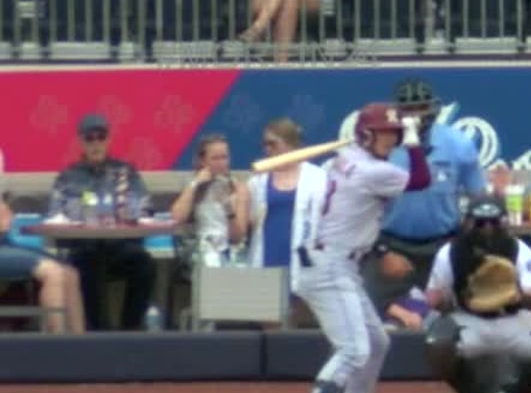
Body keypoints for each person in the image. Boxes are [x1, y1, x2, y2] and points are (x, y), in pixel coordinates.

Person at [287, 103, 430, 393]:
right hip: (330, 265)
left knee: (377, 342)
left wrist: (379, 251)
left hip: (337, 260)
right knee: (353, 349)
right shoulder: (372, 171)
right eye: (386, 134)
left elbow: (354, 216)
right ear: (366, 134)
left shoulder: (343, 160)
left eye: (395, 134)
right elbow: (421, 179)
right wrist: (414, 142)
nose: (392, 140)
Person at [423, 195, 531, 393]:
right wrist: (464, 298)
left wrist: (516, 298)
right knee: (436, 343)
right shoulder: (450, 253)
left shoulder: (520, 250)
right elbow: (433, 300)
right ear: (468, 222)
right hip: (469, 319)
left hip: (513, 318)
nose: (487, 229)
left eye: (493, 222)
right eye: (480, 223)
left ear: (503, 222)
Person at [369, 78, 487, 312]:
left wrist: (461, 244)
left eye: (421, 108)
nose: (415, 116)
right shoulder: (384, 146)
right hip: (392, 245)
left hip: (442, 245)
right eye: (408, 110)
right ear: (397, 112)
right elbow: (363, 208)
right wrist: (381, 250)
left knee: (451, 316)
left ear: (434, 108)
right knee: (376, 317)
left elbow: (478, 200)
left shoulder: (458, 144)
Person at [46, 113, 156, 331]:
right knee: (84, 267)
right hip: (83, 247)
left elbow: (146, 208)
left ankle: (130, 330)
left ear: (109, 140)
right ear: (81, 141)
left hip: (120, 247)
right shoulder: (67, 178)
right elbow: (54, 216)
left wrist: (128, 213)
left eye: (101, 137)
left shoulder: (126, 172)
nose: (96, 143)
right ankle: (95, 334)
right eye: (90, 138)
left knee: (145, 265)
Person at [0, 188, 85, 334]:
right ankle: (56, 343)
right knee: (53, 272)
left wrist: (5, 216)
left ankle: (80, 342)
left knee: (70, 273)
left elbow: (5, 218)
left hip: (5, 244)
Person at [246, 117, 327, 271]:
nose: (267, 149)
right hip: (266, 258)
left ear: (291, 144)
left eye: (273, 144)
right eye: (265, 144)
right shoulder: (257, 181)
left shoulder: (318, 177)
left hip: (304, 260)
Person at [169, 133, 250, 268]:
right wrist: (195, 184)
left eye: (224, 157)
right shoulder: (194, 186)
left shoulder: (239, 189)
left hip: (230, 250)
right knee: (210, 260)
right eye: (215, 158)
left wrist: (228, 209)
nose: (221, 163)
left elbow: (237, 237)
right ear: (203, 161)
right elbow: (177, 217)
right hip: (202, 248)